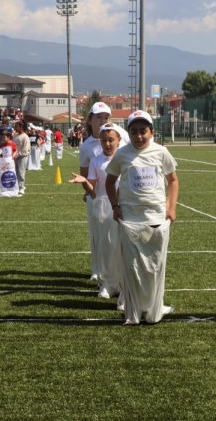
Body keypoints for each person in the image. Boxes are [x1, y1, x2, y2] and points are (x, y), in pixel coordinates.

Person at [105, 110, 179, 325]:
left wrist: (171, 207)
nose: (139, 136)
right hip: (130, 218)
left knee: (155, 266)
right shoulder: (122, 154)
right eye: (134, 131)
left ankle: (154, 308)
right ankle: (134, 310)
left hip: (156, 216)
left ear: (151, 132)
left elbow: (173, 180)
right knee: (132, 267)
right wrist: (115, 205)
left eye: (143, 131)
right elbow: (110, 182)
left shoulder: (161, 152)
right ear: (128, 133)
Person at [69, 123, 129, 300]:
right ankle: (107, 284)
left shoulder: (124, 158)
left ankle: (124, 285)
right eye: (104, 140)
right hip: (103, 209)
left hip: (124, 208)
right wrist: (84, 182)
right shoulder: (96, 161)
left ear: (119, 140)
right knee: (105, 247)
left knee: (122, 248)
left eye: (111, 140)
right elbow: (93, 191)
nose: (108, 144)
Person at [79, 102, 112, 281]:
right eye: (98, 117)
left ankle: (114, 273)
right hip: (96, 197)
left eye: (106, 117)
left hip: (117, 198)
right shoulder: (86, 146)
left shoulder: (119, 136)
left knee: (114, 238)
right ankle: (97, 269)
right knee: (96, 236)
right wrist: (91, 193)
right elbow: (85, 176)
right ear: (90, 120)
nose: (102, 121)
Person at [13, 121, 30, 196]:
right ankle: (16, 186)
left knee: (21, 172)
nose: (15, 128)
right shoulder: (15, 135)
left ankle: (21, 188)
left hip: (22, 156)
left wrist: (18, 154)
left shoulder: (25, 136)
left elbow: (25, 148)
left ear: (21, 127)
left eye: (16, 126)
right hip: (14, 156)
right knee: (15, 172)